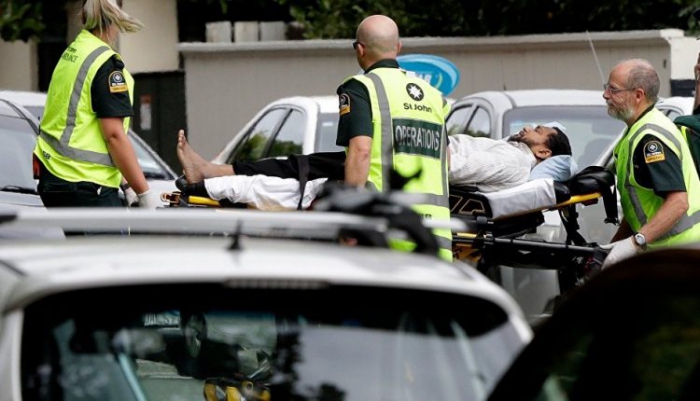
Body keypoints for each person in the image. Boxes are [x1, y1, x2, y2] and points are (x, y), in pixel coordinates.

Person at [174, 121, 572, 210]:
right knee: (301, 173)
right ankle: (213, 176)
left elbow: (453, 164)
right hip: (407, 163)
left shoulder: (510, 158)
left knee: (302, 171)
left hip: (404, 166)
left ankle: (211, 175)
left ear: (543, 154)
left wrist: (405, 144)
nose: (526, 129)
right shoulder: (511, 155)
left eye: (537, 130)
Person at [33, 0, 161, 209]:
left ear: (83, 16)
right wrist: (144, 192)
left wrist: (126, 183)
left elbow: (85, 130)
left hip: (55, 178)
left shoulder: (72, 53)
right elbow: (113, 136)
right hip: (86, 185)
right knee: (113, 243)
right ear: (117, 16)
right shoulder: (107, 66)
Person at [600, 58, 700, 269]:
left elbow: (678, 202)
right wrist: (617, 246)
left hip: (681, 255)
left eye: (613, 89)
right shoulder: (637, 130)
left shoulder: (650, 138)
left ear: (638, 95)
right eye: (606, 87)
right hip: (668, 253)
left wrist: (637, 242)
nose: (605, 95)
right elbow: (641, 207)